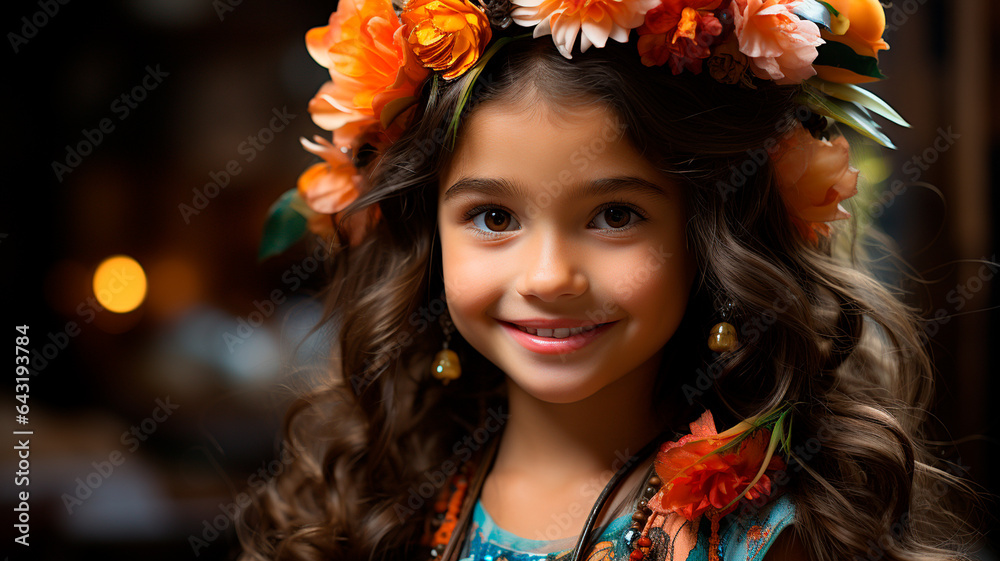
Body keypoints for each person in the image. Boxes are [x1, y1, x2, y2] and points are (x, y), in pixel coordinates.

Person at [240, 0, 982, 560]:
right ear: (426, 236)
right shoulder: (384, 493)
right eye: (494, 217)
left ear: (709, 233)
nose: (549, 276)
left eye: (615, 215)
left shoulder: (768, 533)